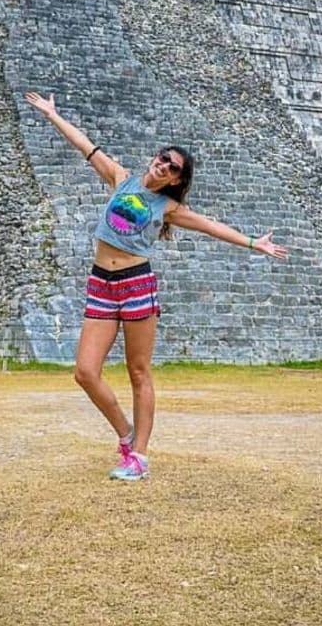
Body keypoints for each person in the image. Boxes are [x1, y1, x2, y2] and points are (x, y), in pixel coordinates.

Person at [25, 91, 288, 481]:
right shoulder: (120, 177)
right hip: (101, 283)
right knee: (85, 372)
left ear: (178, 179)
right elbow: (83, 145)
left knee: (138, 371)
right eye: (164, 158)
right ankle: (126, 435)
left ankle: (140, 457)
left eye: (173, 167)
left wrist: (253, 243)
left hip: (136, 285)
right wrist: (52, 114)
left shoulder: (168, 208)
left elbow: (211, 226)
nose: (164, 165)